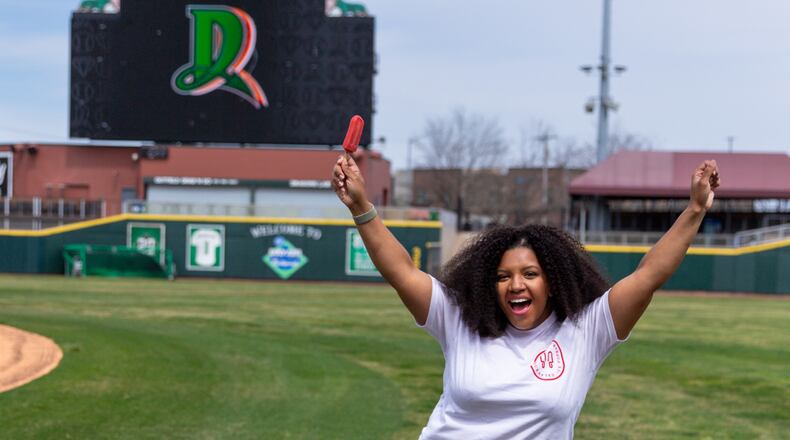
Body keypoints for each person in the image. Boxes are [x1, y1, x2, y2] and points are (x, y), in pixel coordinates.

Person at [332, 155, 720, 439]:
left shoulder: (586, 331)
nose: (515, 285)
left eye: (529, 274)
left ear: (551, 281)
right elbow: (402, 272)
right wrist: (362, 207)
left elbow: (649, 274)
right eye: (503, 276)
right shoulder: (459, 319)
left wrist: (695, 210)